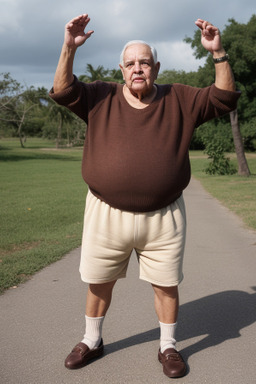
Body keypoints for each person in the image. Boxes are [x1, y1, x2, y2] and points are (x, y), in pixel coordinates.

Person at [49, 14, 240, 379]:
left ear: (156, 67)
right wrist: (69, 48)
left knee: (166, 284)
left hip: (163, 216)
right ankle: (92, 339)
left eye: (145, 62)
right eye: (131, 63)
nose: (139, 68)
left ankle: (168, 346)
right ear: (121, 69)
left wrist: (218, 52)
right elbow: (62, 90)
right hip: (106, 213)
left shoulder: (180, 97)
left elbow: (224, 97)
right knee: (98, 280)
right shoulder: (99, 95)